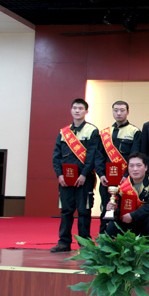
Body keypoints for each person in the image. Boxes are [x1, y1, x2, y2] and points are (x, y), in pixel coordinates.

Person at [50, 99, 100, 252]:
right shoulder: (64, 132)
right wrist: (59, 175)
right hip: (66, 179)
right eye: (75, 108)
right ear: (71, 110)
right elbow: (56, 156)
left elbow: (92, 155)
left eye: (81, 108)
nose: (77, 111)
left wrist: (84, 174)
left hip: (85, 178)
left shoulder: (92, 131)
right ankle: (64, 242)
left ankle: (84, 243)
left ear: (86, 111)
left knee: (84, 210)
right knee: (66, 210)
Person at [95, 100, 141, 233]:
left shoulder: (134, 131)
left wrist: (126, 176)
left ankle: (125, 238)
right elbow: (99, 156)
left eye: (122, 110)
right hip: (107, 180)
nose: (119, 113)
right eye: (116, 110)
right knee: (106, 208)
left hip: (126, 180)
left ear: (128, 112)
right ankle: (104, 237)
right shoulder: (105, 133)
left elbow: (135, 156)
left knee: (125, 208)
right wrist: (101, 174)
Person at [105, 152, 149, 243]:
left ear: (146, 167)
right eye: (131, 166)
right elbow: (120, 208)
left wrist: (133, 215)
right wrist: (113, 208)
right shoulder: (124, 184)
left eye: (138, 165)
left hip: (146, 220)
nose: (135, 169)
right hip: (129, 221)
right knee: (112, 225)